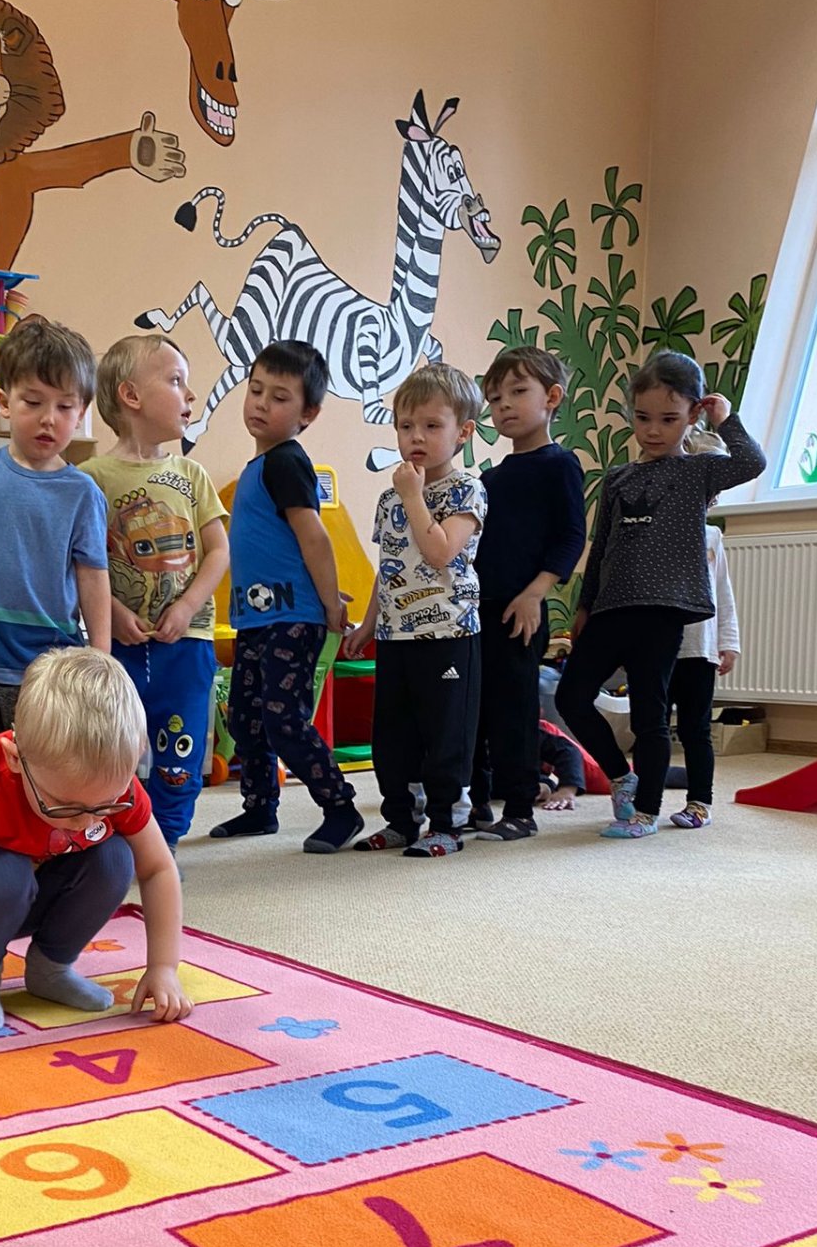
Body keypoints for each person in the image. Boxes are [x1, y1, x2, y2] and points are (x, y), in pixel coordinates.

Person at [0, 646, 192, 1049]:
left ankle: (50, 969)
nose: (86, 822)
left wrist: (164, 967)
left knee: (116, 857)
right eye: (64, 807)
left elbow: (158, 868)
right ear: (15, 758)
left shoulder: (116, 787)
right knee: (3, 874)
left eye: (104, 806)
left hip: (35, 896)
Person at [554, 352, 764, 838]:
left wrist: (724, 418)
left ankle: (646, 812)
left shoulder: (698, 472)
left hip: (662, 612)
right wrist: (584, 606)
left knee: (651, 713)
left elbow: (752, 462)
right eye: (642, 418)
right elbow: (601, 547)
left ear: (691, 415)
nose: (653, 430)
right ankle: (621, 776)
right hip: (611, 608)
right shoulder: (617, 478)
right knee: (571, 695)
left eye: (668, 419)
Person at [207, 340, 361, 853]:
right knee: (246, 716)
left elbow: (314, 536)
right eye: (255, 391)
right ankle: (259, 808)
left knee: (283, 717)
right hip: (257, 618)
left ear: (307, 414)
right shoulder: (258, 468)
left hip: (292, 617)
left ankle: (340, 807)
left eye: (279, 398)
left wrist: (329, 602)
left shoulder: (286, 462)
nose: (260, 404)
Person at [87, 336, 228, 854]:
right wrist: (113, 613)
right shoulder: (91, 479)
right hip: (118, 646)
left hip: (187, 642)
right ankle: (114, 842)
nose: (190, 395)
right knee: (113, 748)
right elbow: (82, 563)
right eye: (175, 381)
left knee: (179, 749)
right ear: (131, 395)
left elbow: (218, 551)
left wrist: (187, 606)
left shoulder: (192, 475)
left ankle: (164, 843)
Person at [343, 363, 487, 858]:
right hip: (395, 635)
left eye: (431, 425)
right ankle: (401, 820)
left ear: (463, 432)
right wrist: (368, 625)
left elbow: (441, 551)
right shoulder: (390, 499)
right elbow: (389, 567)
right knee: (392, 737)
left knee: (446, 736)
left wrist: (413, 496)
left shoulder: (467, 490)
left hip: (450, 633)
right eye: (406, 426)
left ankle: (447, 824)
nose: (416, 437)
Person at [0, 318, 110, 742]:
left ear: (81, 413)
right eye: (33, 402)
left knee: (39, 771)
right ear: (4, 402)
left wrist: (102, 659)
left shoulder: (82, 493)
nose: (49, 419)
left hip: (50, 674)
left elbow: (93, 577)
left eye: (65, 407)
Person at [469, 347, 586, 840]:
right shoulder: (487, 479)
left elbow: (571, 537)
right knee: (473, 710)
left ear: (551, 397)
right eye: (495, 398)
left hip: (521, 612)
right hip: (475, 610)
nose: (504, 406)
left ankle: (520, 809)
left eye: (518, 392)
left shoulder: (560, 465)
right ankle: (475, 803)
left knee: (514, 712)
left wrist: (535, 594)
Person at [669, 521, 741, 829]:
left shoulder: (712, 535)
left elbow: (722, 589)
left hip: (699, 648)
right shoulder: (656, 526)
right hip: (655, 648)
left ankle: (699, 803)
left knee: (695, 730)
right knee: (650, 727)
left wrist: (729, 642)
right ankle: (645, 802)